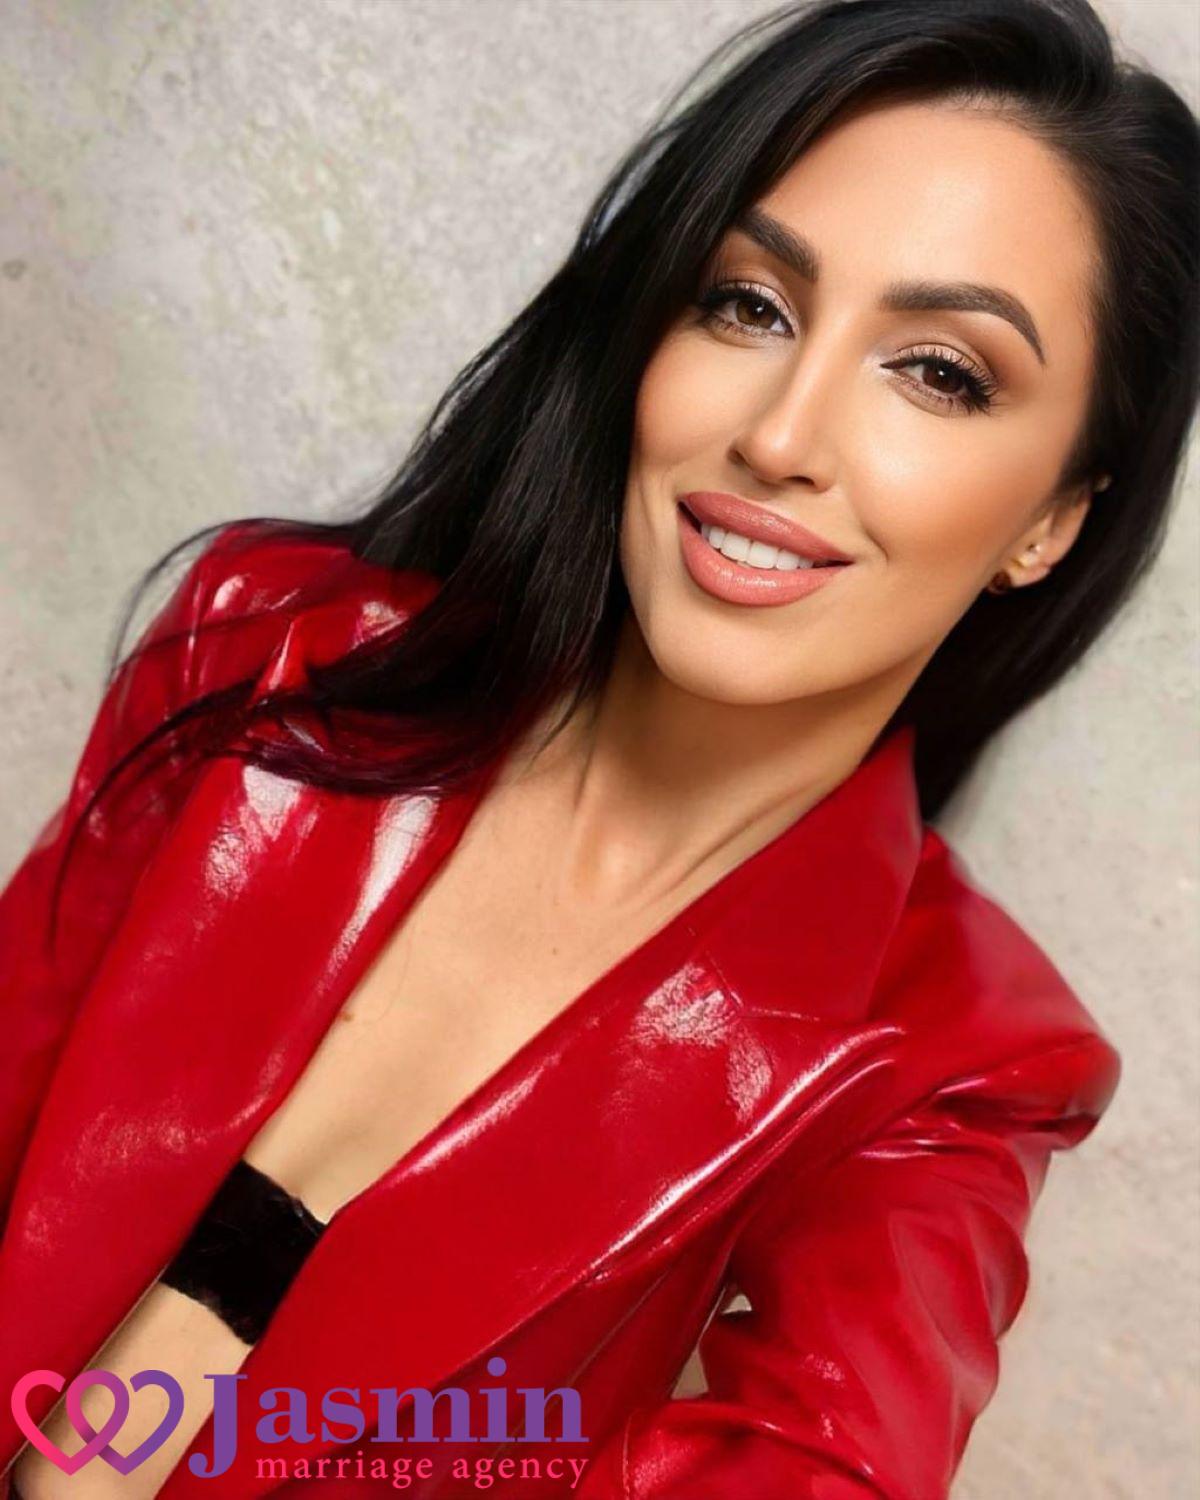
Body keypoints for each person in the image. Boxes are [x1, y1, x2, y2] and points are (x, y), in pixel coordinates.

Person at [1, 0, 1196, 1495]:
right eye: (748, 305)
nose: (781, 436)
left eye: (940, 373)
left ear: (1053, 520)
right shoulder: (269, 648)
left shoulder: (958, 1065)